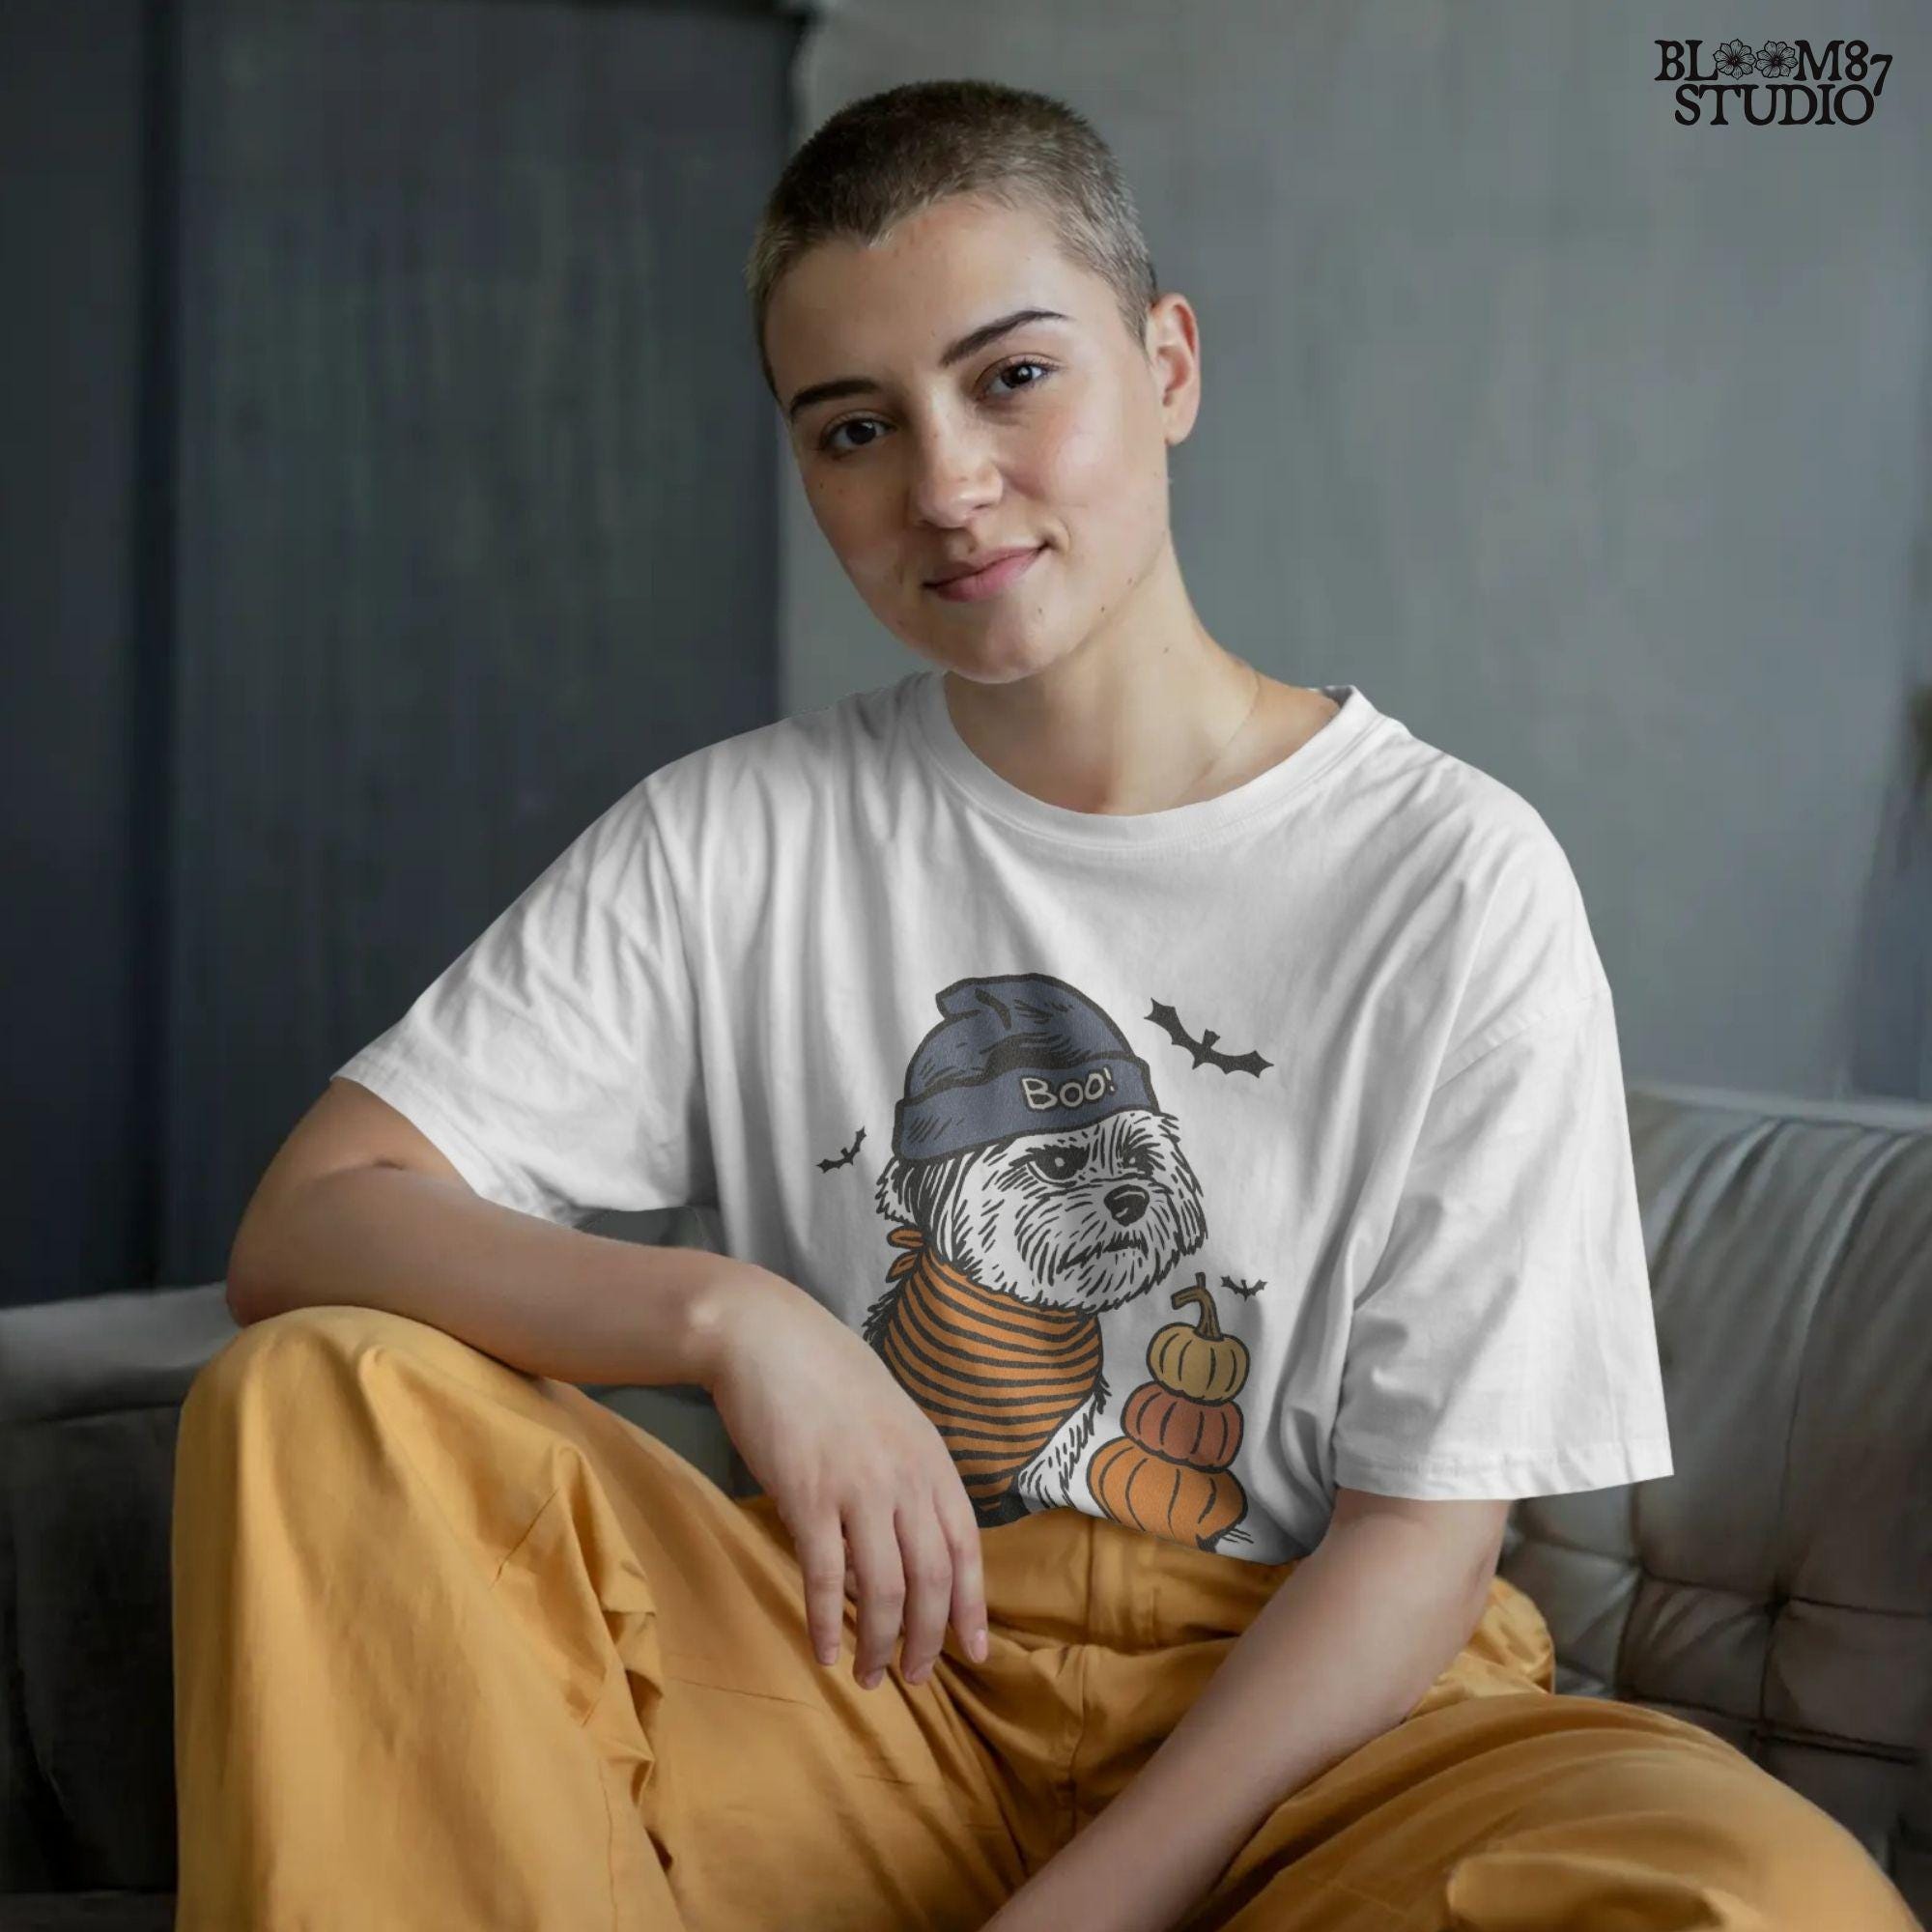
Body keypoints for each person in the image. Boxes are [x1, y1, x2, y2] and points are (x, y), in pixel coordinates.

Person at [171, 76, 1923, 1932]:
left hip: (1326, 1745)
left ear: (1167, 364)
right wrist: (735, 1316)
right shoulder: (730, 835)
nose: (942, 484)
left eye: (1013, 378)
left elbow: (1424, 1541)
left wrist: (1079, 1914)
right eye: (854, 428)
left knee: (1758, 1899)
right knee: (314, 1399)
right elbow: (312, 1222)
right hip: (864, 1682)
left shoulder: (1454, 876)